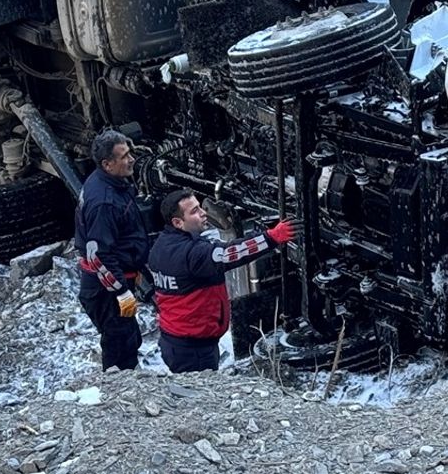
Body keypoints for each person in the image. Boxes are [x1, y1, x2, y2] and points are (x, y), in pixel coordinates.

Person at [148, 189, 299, 373]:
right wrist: (272, 237)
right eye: (194, 211)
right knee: (199, 396)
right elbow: (233, 253)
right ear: (178, 222)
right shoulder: (192, 254)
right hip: (193, 349)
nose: (203, 213)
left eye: (200, 207)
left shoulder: (161, 245)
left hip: (177, 339)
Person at [75, 129, 148, 370]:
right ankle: (120, 391)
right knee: (120, 342)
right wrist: (120, 291)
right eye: (124, 156)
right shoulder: (103, 202)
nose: (131, 160)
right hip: (104, 290)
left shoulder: (108, 183)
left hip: (112, 283)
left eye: (130, 153)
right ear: (107, 164)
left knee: (129, 336)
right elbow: (98, 256)